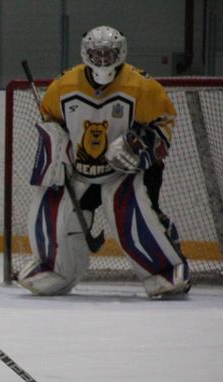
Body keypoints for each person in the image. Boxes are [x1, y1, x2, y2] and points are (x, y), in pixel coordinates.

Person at [17, 25, 190, 299]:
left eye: (108, 54)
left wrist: (140, 143)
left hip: (126, 171)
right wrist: (56, 150)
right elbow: (51, 122)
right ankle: (54, 268)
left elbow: (163, 121)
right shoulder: (64, 85)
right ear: (86, 54)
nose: (102, 61)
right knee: (50, 210)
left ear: (120, 53)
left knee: (135, 216)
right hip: (80, 170)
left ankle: (165, 270)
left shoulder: (140, 86)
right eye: (96, 55)